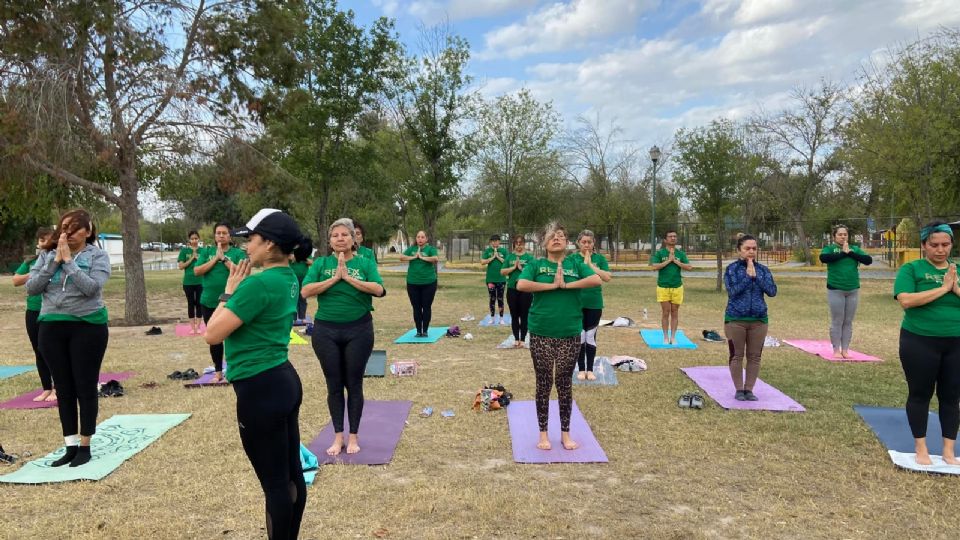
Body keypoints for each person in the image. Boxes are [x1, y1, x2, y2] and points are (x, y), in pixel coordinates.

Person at [205, 208, 310, 539]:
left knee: (276, 484)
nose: (245, 246)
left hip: (260, 388)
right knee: (292, 474)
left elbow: (212, 334)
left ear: (269, 243)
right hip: (282, 379)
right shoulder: (288, 277)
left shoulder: (259, 284)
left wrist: (228, 292)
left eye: (250, 239)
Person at [25, 209, 110, 467]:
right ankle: (70, 444)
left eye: (73, 229)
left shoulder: (98, 256)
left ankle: (85, 445)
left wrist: (70, 263)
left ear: (88, 231)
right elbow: (32, 287)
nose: (67, 233)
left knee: (84, 386)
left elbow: (91, 288)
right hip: (51, 326)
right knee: (63, 387)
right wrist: (54, 262)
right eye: (64, 228)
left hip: (87, 326)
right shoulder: (47, 256)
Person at [302, 218, 385, 456]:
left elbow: (378, 289)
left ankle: (353, 437)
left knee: (354, 383)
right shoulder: (320, 264)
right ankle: (337, 436)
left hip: (358, 330)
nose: (340, 238)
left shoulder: (365, 262)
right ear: (329, 241)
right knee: (334, 384)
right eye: (335, 235)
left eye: (344, 235)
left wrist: (349, 278)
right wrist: (334, 278)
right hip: (326, 331)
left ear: (353, 238)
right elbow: (306, 291)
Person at [517, 222, 601, 451]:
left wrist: (567, 284)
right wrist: (552, 286)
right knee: (544, 383)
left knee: (564, 383)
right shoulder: (536, 264)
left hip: (570, 332)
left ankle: (565, 434)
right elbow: (521, 284)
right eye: (552, 236)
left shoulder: (574, 263)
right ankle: (543, 434)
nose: (557, 238)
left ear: (567, 242)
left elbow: (596, 280)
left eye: (561, 236)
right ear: (544, 243)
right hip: (541, 332)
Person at [893, 220, 960, 466]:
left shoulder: (957, 271)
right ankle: (921, 447)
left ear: (951, 244)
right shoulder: (912, 269)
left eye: (945, 244)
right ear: (924, 245)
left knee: (952, 396)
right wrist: (943, 289)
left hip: (956, 341)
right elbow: (906, 300)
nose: (940, 250)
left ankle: (949, 450)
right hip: (919, 340)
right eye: (934, 245)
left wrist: (955, 287)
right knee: (920, 394)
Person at [723, 234, 777, 401]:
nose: (751, 251)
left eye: (754, 248)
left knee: (754, 356)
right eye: (747, 248)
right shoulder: (732, 269)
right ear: (739, 250)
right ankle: (739, 389)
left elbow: (772, 291)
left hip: (759, 320)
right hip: (735, 319)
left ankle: (749, 389)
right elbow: (732, 292)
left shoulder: (763, 270)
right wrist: (747, 277)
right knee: (737, 355)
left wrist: (756, 276)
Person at [194, 223, 247, 382]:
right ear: (214, 235)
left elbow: (241, 271)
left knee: (234, 336)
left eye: (225, 233)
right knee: (215, 337)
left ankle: (236, 368)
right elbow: (197, 271)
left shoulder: (237, 253)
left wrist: (223, 259)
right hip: (209, 301)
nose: (221, 235)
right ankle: (218, 371)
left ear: (230, 236)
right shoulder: (207, 252)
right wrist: (215, 258)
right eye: (218, 233)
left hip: (233, 301)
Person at [12, 227, 56, 401]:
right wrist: (36, 272)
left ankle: (58, 388)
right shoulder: (32, 261)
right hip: (33, 310)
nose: (44, 243)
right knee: (39, 350)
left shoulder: (57, 259)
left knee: (52, 350)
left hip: (51, 311)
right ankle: (46, 388)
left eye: (48, 239)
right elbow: (16, 280)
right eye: (41, 240)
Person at [818, 225, 873, 358]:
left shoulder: (854, 249)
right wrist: (842, 253)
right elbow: (824, 258)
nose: (843, 236)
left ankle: (845, 350)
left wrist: (851, 253)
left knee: (848, 321)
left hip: (853, 289)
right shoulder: (830, 249)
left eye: (845, 234)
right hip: (836, 289)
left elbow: (868, 260)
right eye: (840, 234)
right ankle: (836, 350)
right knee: (837, 320)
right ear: (834, 236)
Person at [571, 230, 612, 379]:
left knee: (590, 336)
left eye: (589, 242)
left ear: (593, 243)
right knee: (580, 336)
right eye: (584, 242)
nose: (587, 245)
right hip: (577, 303)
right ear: (578, 243)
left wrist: (590, 265)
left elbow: (607, 277)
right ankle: (581, 369)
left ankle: (590, 369)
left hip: (595, 303)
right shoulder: (573, 259)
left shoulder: (599, 259)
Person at [650, 230, 693, 344]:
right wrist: (669, 260)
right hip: (663, 286)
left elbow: (689, 267)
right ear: (665, 240)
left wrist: (676, 261)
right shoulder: (660, 253)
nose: (673, 238)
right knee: (665, 312)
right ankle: (665, 337)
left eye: (674, 236)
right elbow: (654, 267)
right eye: (670, 236)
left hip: (677, 286)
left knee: (675, 312)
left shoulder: (680, 253)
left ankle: (673, 337)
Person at [400, 230, 439, 337]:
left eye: (422, 237)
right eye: (418, 237)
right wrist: (414, 257)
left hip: (429, 283)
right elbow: (401, 257)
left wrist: (422, 257)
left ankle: (425, 330)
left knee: (426, 306)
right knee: (416, 307)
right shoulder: (412, 249)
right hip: (412, 283)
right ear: (416, 239)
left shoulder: (430, 249)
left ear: (426, 239)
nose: (420, 239)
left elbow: (435, 259)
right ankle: (418, 330)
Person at [501, 235, 535, 347]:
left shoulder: (529, 258)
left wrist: (522, 268)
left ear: (524, 244)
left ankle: (523, 339)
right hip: (512, 289)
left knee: (524, 315)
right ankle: (516, 339)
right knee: (514, 315)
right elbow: (502, 271)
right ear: (514, 244)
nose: (519, 245)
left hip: (525, 290)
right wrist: (513, 268)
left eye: (521, 242)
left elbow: (533, 272)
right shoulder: (510, 257)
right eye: (517, 243)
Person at [177, 230, 204, 335]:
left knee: (199, 303)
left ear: (199, 239)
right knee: (191, 303)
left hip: (200, 281)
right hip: (188, 282)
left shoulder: (203, 251)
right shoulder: (184, 251)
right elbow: (181, 266)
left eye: (196, 238)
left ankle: (198, 326)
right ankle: (192, 327)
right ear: (189, 240)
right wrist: (192, 258)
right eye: (192, 239)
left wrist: (199, 258)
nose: (194, 241)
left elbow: (207, 264)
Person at [481, 234, 508, 325]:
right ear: (490, 242)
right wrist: (492, 257)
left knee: (500, 299)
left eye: (496, 241)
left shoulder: (504, 251)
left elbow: (507, 262)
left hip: (501, 279)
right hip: (491, 280)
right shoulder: (488, 251)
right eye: (493, 241)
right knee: (492, 298)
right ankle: (492, 318)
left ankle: (501, 318)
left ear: (499, 242)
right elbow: (482, 262)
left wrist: (498, 257)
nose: (495, 242)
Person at [289, 237, 313, 323]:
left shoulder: (306, 252)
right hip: (293, 279)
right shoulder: (291, 252)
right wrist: (294, 257)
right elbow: (289, 259)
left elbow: (311, 262)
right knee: (293, 297)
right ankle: (293, 318)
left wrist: (302, 258)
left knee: (302, 298)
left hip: (303, 279)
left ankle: (303, 318)